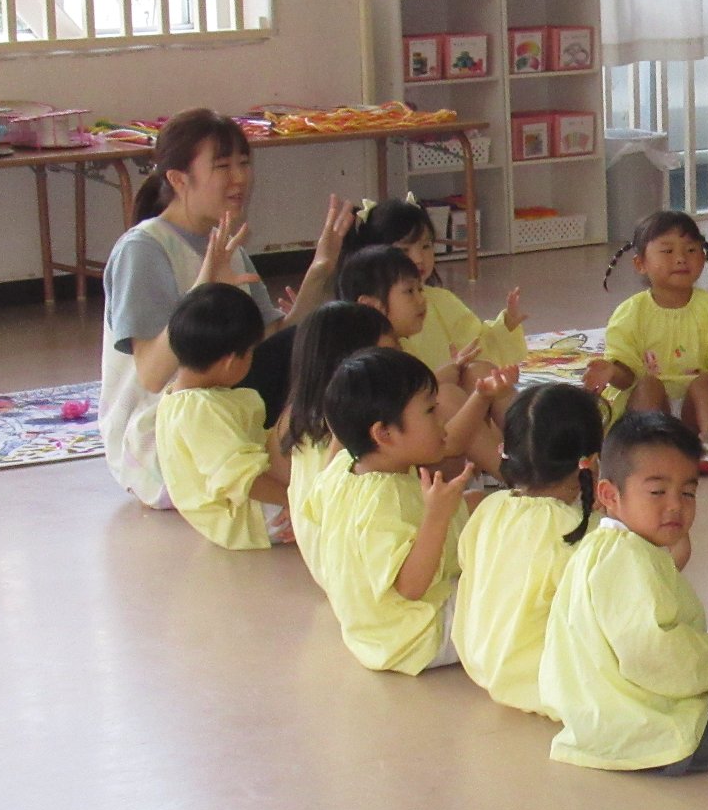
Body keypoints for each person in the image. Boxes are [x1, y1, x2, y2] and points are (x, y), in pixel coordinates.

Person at [100, 108, 351, 507]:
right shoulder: (143, 249)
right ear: (179, 179)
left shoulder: (226, 243)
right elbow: (150, 375)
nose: (239, 178)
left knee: (329, 333)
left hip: (226, 413)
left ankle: (332, 475)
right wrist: (203, 287)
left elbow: (268, 341)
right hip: (160, 443)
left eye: (244, 163)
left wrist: (320, 272)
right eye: (222, 166)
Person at [540, 413, 708, 774]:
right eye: (657, 491)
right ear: (609, 494)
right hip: (649, 733)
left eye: (688, 492)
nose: (676, 505)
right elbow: (656, 655)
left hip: (602, 724)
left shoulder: (608, 547)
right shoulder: (626, 559)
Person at [308, 347, 475, 674]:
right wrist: (437, 517)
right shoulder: (386, 498)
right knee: (512, 582)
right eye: (430, 411)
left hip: (373, 633)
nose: (442, 419)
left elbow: (315, 511)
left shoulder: (344, 465)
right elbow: (411, 587)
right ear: (383, 433)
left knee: (481, 504)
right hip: (418, 635)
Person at [454, 385, 604, 718]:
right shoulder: (584, 530)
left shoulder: (490, 507)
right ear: (591, 462)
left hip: (483, 663)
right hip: (545, 683)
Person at [585, 211, 708, 475]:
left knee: (705, 381)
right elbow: (627, 374)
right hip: (652, 407)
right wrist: (612, 371)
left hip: (696, 414)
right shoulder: (630, 313)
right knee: (647, 383)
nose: (681, 258)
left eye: (691, 249)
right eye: (667, 251)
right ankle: (646, 444)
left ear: (703, 258)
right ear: (641, 264)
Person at [342, 196, 528, 422]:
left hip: (453, 397)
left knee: (484, 373)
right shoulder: (367, 323)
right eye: (404, 250)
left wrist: (505, 326)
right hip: (414, 417)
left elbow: (477, 346)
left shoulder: (442, 300)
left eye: (426, 246)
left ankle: (523, 439)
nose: (419, 258)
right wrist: (443, 378)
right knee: (449, 396)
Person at [337, 244, 504, 475]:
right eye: (409, 292)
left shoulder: (397, 345)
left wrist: (450, 372)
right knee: (448, 397)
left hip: (428, 449)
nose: (421, 300)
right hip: (405, 464)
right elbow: (397, 411)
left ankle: (530, 451)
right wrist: (437, 380)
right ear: (371, 305)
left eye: (421, 290)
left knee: (480, 372)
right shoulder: (366, 362)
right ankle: (518, 479)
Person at [151, 283, 292, 551]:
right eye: (251, 352)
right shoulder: (200, 410)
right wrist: (296, 502)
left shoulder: (179, 398)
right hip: (251, 515)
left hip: (246, 511)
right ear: (231, 361)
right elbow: (243, 481)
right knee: (302, 417)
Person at [276, 301, 397, 586]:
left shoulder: (304, 415)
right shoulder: (353, 429)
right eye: (388, 357)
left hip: (327, 567)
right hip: (356, 573)